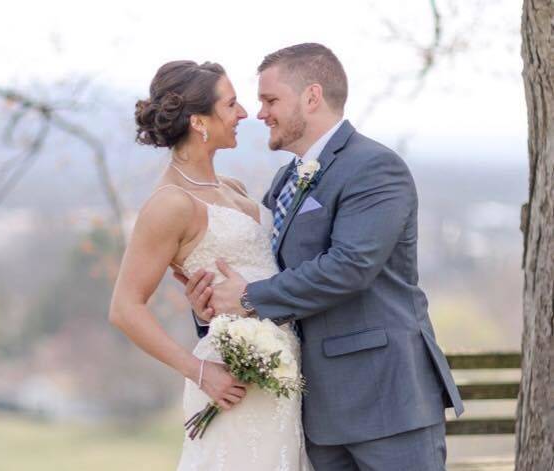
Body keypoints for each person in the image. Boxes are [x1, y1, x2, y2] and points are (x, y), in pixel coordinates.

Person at [182, 43, 465, 471]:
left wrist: (247, 297)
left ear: (311, 97)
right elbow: (268, 271)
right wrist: (215, 311)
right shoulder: (285, 181)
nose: (260, 113)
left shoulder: (375, 168)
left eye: (270, 100)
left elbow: (350, 267)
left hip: (387, 402)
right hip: (317, 414)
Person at [109, 60, 312, 470]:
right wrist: (201, 371)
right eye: (232, 104)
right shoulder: (170, 204)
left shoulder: (232, 188)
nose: (243, 115)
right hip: (232, 380)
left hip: (281, 376)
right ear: (199, 121)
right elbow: (125, 308)